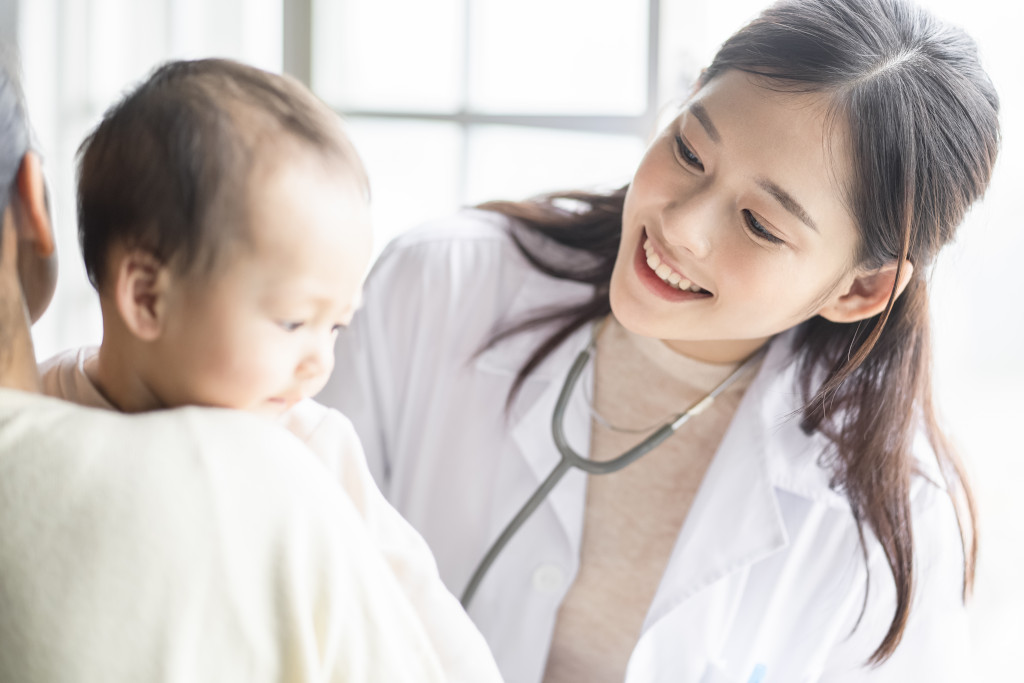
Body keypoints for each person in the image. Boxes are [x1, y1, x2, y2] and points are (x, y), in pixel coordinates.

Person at [319, 0, 1001, 681]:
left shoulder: (889, 519)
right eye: (688, 149)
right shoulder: (438, 285)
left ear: (860, 290)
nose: (680, 226)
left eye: (760, 224)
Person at [34, 58, 502, 683]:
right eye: (293, 322)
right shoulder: (38, 413)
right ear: (147, 297)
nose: (320, 362)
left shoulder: (308, 446)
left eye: (335, 326)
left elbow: (429, 621)